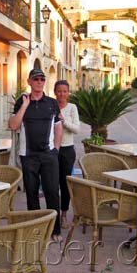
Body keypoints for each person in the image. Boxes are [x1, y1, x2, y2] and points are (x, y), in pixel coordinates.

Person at [9, 68, 63, 241]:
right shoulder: (21, 102)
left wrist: (56, 149)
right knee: (31, 194)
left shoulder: (52, 103)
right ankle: (36, 230)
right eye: (36, 79)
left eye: (42, 79)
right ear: (29, 82)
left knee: (52, 192)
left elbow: (58, 126)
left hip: (49, 155)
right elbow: (13, 125)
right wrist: (25, 105)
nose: (39, 82)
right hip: (28, 156)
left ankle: (55, 230)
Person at [54, 80, 80, 229]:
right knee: (51, 183)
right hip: (52, 150)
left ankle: (64, 214)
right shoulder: (51, 105)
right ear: (55, 92)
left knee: (64, 184)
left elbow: (77, 129)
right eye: (59, 91)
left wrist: (64, 122)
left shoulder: (72, 108)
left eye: (64, 91)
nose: (62, 94)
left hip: (67, 150)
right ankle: (53, 214)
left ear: (68, 93)